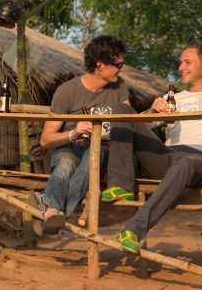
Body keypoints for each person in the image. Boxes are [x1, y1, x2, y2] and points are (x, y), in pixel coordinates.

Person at [100, 43, 202, 253]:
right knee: (120, 109)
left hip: (199, 159)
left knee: (186, 163)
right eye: (181, 62)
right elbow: (135, 123)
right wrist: (152, 111)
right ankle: (120, 186)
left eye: (187, 62)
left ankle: (134, 229)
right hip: (166, 156)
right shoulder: (174, 98)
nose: (181, 67)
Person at [29, 35, 130, 236]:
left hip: (102, 151)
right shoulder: (67, 91)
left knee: (94, 154)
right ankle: (53, 211)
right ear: (100, 65)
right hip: (70, 147)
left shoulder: (120, 87)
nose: (122, 69)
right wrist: (73, 133)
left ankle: (52, 210)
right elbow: (45, 140)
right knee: (65, 163)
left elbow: (130, 120)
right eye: (118, 64)